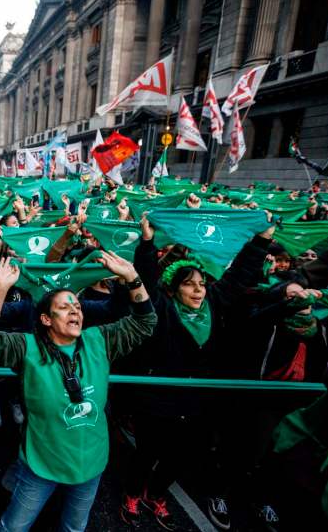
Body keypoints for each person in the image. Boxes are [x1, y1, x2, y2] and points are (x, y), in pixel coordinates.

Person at [0, 254, 156, 532]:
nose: (75, 311)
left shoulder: (99, 340)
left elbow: (145, 323)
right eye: (64, 307)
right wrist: (0, 288)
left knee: (74, 528)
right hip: (41, 465)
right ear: (46, 319)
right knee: (14, 527)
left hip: (90, 465)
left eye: (77, 305)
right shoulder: (28, 348)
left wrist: (132, 277)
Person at [119, 217, 276, 530]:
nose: (198, 289)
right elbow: (146, 281)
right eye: (189, 284)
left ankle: (157, 494)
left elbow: (238, 276)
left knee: (179, 455)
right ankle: (133, 493)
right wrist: (147, 245)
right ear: (175, 288)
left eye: (202, 284)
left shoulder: (215, 304)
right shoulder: (161, 307)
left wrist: (262, 240)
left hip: (197, 402)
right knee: (148, 451)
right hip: (157, 399)